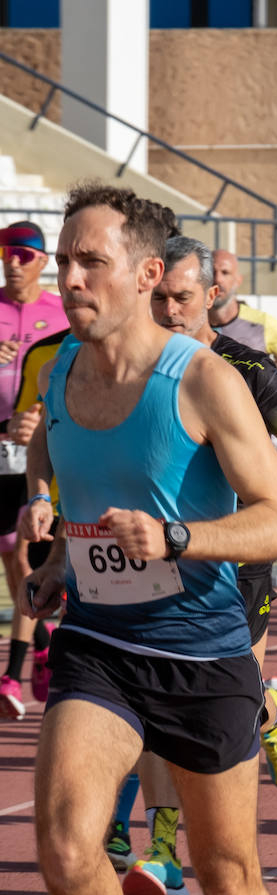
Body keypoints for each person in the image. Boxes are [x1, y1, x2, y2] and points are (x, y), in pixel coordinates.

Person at [23, 182, 277, 895]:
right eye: (63, 261)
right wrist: (54, 545)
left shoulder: (205, 379)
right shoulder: (59, 378)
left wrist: (178, 539)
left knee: (226, 876)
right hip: (99, 642)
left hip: (203, 654)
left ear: (147, 274)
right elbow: (54, 465)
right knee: (65, 850)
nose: (71, 279)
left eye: (91, 261)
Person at [0, 220, 67, 718]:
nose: (14, 260)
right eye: (7, 252)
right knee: (11, 556)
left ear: (43, 261)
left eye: (25, 253)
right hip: (1, 439)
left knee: (18, 550)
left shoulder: (62, 313)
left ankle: (11, 674)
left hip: (36, 455)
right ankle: (42, 641)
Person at [209, 250, 277, 399]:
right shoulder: (193, 323)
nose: (217, 279)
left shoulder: (261, 323)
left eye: (225, 272)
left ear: (238, 280)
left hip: (251, 420)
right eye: (212, 272)